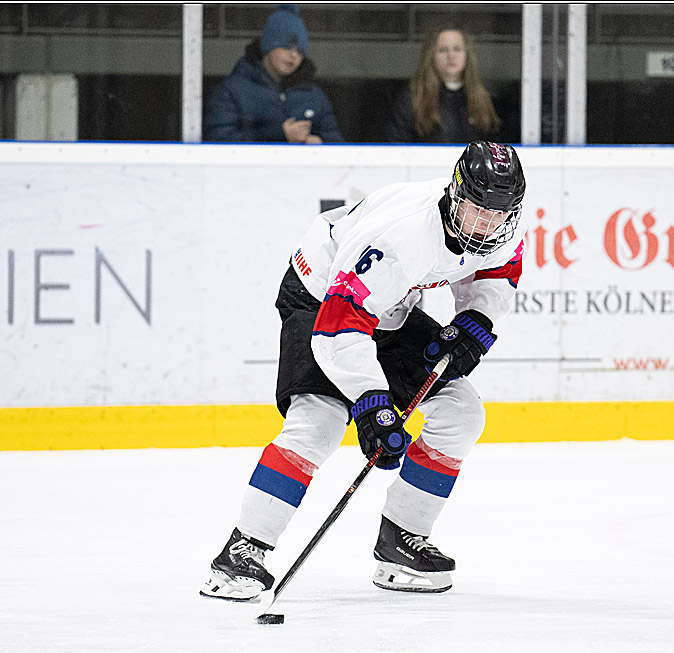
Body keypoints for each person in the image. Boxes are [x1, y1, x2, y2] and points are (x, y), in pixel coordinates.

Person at [200, 141, 527, 598]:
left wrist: (477, 319)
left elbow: (498, 270)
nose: (487, 225)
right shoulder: (401, 236)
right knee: (319, 422)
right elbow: (338, 327)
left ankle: (401, 541)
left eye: (499, 214)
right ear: (455, 195)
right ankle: (241, 551)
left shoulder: (504, 226)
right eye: (478, 210)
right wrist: (372, 404)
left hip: (388, 307)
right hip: (320, 298)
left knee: (461, 412)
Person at [203, 4, 343, 143]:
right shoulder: (232, 91)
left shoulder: (315, 96)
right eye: (286, 47)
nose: (293, 55)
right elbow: (216, 140)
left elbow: (337, 144)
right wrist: (279, 134)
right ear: (268, 47)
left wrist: (320, 143)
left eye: (300, 51)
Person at [386, 27, 501, 144]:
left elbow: (495, 145)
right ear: (431, 56)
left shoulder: (486, 100)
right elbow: (397, 143)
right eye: (443, 50)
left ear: (467, 55)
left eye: (457, 49)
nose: (451, 55)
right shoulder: (412, 100)